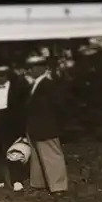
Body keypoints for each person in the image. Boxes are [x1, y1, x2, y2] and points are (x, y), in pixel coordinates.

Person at [24, 61, 68, 194]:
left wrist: (56, 124)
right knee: (37, 158)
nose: (30, 70)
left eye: (33, 67)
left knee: (52, 156)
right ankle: (39, 185)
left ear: (42, 68)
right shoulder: (34, 84)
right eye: (30, 67)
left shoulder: (50, 84)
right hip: (34, 126)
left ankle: (58, 187)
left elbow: (59, 106)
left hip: (47, 126)